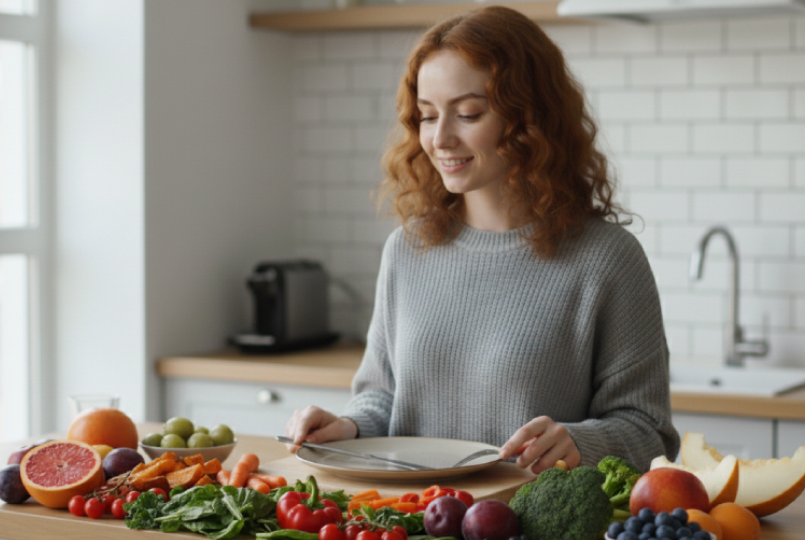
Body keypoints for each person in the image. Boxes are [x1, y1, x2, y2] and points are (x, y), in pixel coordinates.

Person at [285, 5, 679, 474]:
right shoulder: (408, 249)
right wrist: (348, 426)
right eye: (428, 116)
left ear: (531, 118)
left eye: (468, 113)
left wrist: (578, 442)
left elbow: (648, 432)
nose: (441, 138)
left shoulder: (606, 260)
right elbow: (384, 398)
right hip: (412, 518)